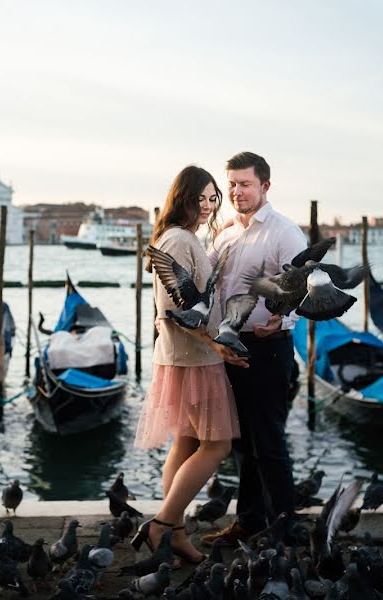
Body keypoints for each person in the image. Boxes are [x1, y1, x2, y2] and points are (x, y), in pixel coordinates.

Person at [133, 165, 247, 563]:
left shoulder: (183, 238)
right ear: (182, 197)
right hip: (194, 359)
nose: (208, 204)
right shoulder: (180, 240)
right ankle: (164, 524)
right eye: (200, 196)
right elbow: (172, 310)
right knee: (216, 445)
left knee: (186, 441)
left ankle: (173, 532)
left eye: (213, 197)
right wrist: (216, 347)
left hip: (185, 357)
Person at [200, 151, 308, 547]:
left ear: (265, 186)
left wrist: (285, 318)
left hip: (269, 349)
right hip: (230, 348)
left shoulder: (284, 232)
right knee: (242, 441)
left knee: (270, 441)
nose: (236, 191)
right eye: (231, 183)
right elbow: (205, 280)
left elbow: (302, 285)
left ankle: (286, 528)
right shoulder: (225, 232)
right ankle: (248, 521)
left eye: (244, 184)